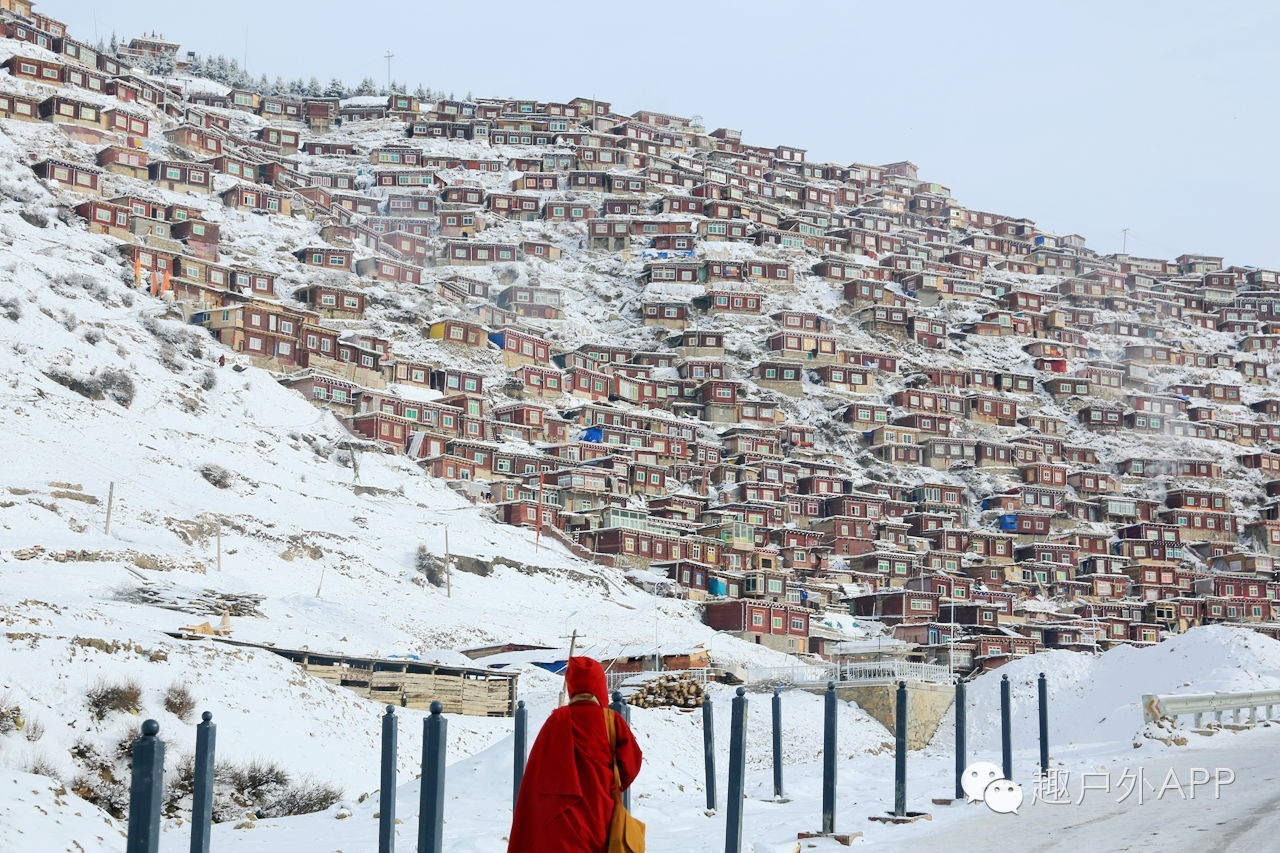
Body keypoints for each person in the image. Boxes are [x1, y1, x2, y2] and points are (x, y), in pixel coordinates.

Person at [508, 656, 642, 852]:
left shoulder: (556, 721)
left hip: (558, 824)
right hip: (600, 815)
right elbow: (631, 764)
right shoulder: (611, 721)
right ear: (599, 686)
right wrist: (610, 784)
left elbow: (535, 775)